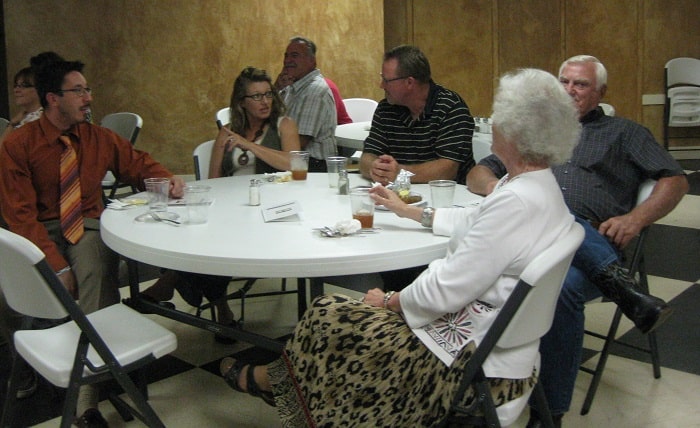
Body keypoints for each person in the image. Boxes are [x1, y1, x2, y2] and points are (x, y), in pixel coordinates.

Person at [218, 68, 581, 427]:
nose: (492, 125)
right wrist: (408, 210)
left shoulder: (515, 202)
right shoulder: (534, 186)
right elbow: (475, 221)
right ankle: (279, 382)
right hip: (496, 343)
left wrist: (391, 301)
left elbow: (444, 289)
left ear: (515, 133)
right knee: (332, 315)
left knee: (327, 313)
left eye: (500, 117)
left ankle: (288, 390)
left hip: (466, 362)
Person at [466, 55, 689, 427]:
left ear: (600, 92)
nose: (570, 90)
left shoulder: (624, 133)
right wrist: (495, 186)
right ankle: (626, 291)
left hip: (590, 242)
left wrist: (636, 218)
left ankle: (549, 411)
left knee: (562, 284)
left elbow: (675, 179)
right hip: (530, 238)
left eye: (580, 84)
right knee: (531, 224)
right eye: (564, 82)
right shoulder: (537, 129)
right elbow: (478, 170)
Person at [0, 55, 185, 427]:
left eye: (88, 89)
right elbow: (20, 216)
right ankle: (26, 363)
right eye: (79, 91)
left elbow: (137, 162)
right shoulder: (18, 145)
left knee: (94, 269)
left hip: (84, 223)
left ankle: (88, 397)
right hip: (39, 227)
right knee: (15, 280)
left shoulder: (97, 137)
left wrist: (167, 179)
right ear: (53, 98)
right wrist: (54, 263)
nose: (88, 98)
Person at [131, 67, 301, 341]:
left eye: (268, 94)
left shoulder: (284, 124)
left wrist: (249, 145)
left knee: (221, 239)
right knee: (202, 231)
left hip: (272, 211)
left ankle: (173, 282)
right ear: (241, 102)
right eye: (256, 96)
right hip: (233, 207)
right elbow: (214, 181)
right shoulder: (227, 132)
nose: (264, 101)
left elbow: (294, 164)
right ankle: (220, 309)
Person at [359, 45, 475, 186]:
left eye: (387, 80)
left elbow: (447, 170)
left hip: (448, 198)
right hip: (398, 195)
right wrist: (375, 168)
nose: (381, 85)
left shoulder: (451, 108)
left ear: (409, 82)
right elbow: (367, 156)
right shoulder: (386, 109)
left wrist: (399, 173)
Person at [274, 36, 337, 172]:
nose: (288, 60)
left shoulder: (315, 91)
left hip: (315, 166)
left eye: (294, 56)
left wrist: (260, 146)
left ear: (311, 61)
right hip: (294, 160)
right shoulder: (290, 86)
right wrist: (276, 88)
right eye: (286, 56)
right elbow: (268, 119)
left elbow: (299, 142)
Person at [1, 67, 43, 146]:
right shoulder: (22, 117)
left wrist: (11, 125)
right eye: (16, 86)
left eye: (24, 86)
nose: (16, 90)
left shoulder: (39, 120)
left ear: (39, 89)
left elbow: (3, 150)